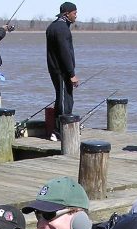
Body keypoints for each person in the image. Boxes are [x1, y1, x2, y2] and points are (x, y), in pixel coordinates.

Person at [46, 2, 78, 141]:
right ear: (67, 14)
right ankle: (59, 131)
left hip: (54, 69)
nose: (76, 16)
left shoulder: (52, 26)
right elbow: (65, 53)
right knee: (65, 100)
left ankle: (59, 129)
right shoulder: (62, 29)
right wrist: (72, 74)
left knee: (61, 97)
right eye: (74, 13)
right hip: (62, 71)